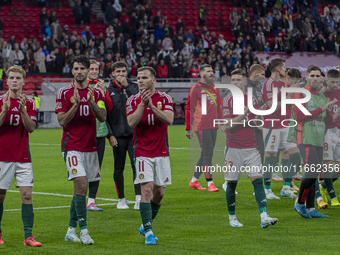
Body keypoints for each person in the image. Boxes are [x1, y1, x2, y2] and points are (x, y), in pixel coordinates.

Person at [55, 55, 106, 244]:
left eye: (82, 68)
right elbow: (61, 121)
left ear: (87, 71)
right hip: (72, 146)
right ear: (72, 71)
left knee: (80, 189)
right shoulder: (64, 93)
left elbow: (102, 117)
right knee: (82, 184)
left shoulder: (97, 93)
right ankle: (84, 231)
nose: (79, 72)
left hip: (90, 147)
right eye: (75, 68)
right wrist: (76, 104)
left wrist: (91, 102)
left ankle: (70, 230)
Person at [222, 68, 278, 228]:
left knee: (258, 182)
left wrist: (258, 113)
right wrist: (247, 110)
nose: (235, 83)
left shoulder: (251, 98)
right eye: (233, 80)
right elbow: (229, 125)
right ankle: (232, 218)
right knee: (232, 184)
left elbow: (259, 125)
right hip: (233, 149)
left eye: (238, 80)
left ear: (245, 82)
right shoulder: (227, 100)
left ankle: (264, 216)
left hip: (251, 147)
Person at [126, 66, 173, 245]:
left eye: (144, 78)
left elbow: (169, 119)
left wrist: (152, 106)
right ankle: (149, 233)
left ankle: (145, 225)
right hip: (142, 152)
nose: (140, 81)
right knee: (146, 190)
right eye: (138, 78)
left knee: (159, 193)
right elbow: (131, 123)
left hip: (161, 152)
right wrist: (142, 105)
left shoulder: (164, 98)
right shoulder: (132, 100)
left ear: (153, 80)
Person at [289, 65, 340, 219]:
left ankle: (311, 208)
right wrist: (322, 109)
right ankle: (299, 203)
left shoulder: (322, 96)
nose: (316, 78)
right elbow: (299, 115)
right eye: (313, 75)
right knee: (311, 173)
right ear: (307, 77)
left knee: (314, 173)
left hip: (318, 138)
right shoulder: (300, 93)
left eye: (318, 76)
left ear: (322, 79)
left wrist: (332, 112)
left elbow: (328, 120)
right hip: (305, 137)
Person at [0, 65, 41, 246]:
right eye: (12, 78)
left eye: (18, 78)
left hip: (23, 157)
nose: (14, 81)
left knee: (26, 196)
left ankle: (28, 236)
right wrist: (4, 110)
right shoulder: (0, 100)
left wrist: (23, 109)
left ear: (24, 81)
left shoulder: (30, 102)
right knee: (0, 196)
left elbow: (31, 128)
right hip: (2, 157)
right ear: (7, 81)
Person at [261, 59, 301, 200]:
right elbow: (272, 106)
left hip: (285, 125)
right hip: (272, 125)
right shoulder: (269, 84)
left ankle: (286, 187)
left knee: (295, 155)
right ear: (278, 69)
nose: (285, 69)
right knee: (270, 158)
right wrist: (287, 98)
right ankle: (266, 190)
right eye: (283, 67)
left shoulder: (281, 84)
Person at [106, 61, 142, 210]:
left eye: (123, 71)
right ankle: (121, 199)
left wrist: (126, 86)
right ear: (113, 74)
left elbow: (140, 101)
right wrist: (110, 135)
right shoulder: (108, 90)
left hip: (133, 134)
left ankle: (139, 198)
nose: (120, 74)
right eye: (118, 72)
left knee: (136, 166)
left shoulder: (134, 87)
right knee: (118, 168)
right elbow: (104, 116)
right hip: (118, 136)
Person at [186, 64, 220, 192]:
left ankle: (194, 180)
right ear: (201, 74)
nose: (211, 73)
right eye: (208, 71)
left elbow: (218, 106)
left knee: (205, 153)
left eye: (212, 71)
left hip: (213, 125)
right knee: (208, 154)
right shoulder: (195, 88)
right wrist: (188, 128)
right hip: (202, 125)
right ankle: (210, 183)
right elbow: (189, 108)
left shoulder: (213, 87)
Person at [86, 60, 113, 211]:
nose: (94, 71)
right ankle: (80, 197)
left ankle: (91, 201)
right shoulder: (81, 86)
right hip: (85, 133)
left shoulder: (102, 87)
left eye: (96, 69)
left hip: (100, 132)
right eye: (92, 69)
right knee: (83, 168)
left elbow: (109, 108)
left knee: (96, 169)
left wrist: (103, 92)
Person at [318, 69, 340, 207]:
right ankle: (333, 198)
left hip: (338, 132)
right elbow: (328, 119)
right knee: (328, 164)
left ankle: (324, 186)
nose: (335, 85)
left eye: (337, 82)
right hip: (327, 131)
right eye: (332, 82)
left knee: (338, 169)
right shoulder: (322, 95)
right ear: (327, 81)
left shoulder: (339, 92)